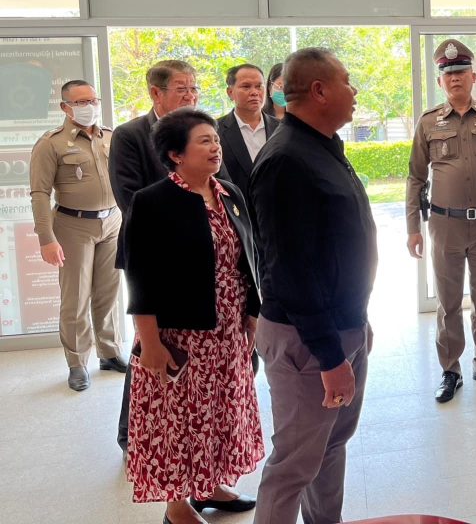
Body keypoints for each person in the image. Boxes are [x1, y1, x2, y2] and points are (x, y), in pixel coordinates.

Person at [250, 48, 377, 524]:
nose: (355, 90)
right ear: (320, 90)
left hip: (342, 328)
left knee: (331, 444)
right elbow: (291, 272)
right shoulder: (286, 160)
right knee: (294, 465)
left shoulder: (322, 147)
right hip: (309, 342)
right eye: (347, 80)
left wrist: (356, 327)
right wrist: (329, 357)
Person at [124, 109, 263, 524]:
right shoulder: (152, 202)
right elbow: (140, 278)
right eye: (204, 141)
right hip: (181, 336)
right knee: (180, 422)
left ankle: (211, 484)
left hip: (228, 331)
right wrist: (150, 343)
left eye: (216, 140)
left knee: (221, 413)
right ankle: (177, 505)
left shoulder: (229, 194)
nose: (215, 147)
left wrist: (251, 313)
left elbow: (247, 258)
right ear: (176, 154)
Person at [406, 38, 476, 402]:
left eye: (460, 72)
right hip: (445, 225)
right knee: (449, 302)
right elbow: (415, 178)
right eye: (448, 73)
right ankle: (450, 369)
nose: (455, 78)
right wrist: (413, 228)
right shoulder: (428, 122)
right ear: (440, 81)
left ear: (473, 77)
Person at [111, 59, 199, 452]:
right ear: (155, 93)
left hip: (197, 254)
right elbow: (129, 198)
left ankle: (187, 432)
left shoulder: (200, 132)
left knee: (189, 346)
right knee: (149, 344)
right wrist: (183, 225)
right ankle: (132, 434)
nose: (190, 95)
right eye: (182, 88)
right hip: (151, 256)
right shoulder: (130, 135)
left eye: (194, 88)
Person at [29, 79, 125, 391]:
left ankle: (109, 352)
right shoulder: (51, 143)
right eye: (81, 102)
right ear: (65, 107)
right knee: (76, 298)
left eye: (93, 101)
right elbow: (40, 193)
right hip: (73, 226)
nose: (89, 107)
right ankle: (77, 362)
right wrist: (46, 238)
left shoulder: (111, 136)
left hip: (112, 222)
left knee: (108, 292)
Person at [217, 63, 280, 206]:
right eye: (246, 87)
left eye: (259, 86)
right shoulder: (216, 131)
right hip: (236, 210)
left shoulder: (282, 129)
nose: (254, 92)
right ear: (230, 92)